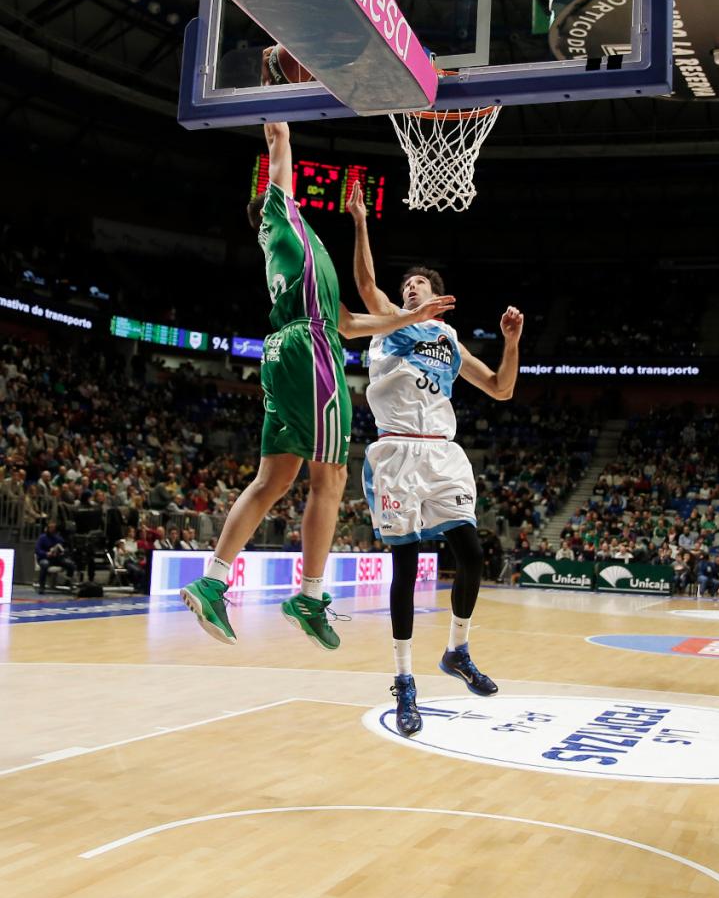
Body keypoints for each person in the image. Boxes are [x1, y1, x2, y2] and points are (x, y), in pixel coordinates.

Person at [179, 118, 455, 649]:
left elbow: (351, 324)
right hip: (311, 352)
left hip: (292, 347)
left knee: (273, 480)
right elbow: (278, 138)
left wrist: (411, 320)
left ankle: (213, 580)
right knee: (330, 477)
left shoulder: (298, 250)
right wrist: (277, 93)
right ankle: (308, 595)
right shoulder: (280, 218)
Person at [347, 179, 524, 736]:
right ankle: (404, 681)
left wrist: (512, 340)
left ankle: (457, 652)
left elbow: (499, 388)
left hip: (443, 455)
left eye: (420, 283)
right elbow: (367, 283)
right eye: (408, 286)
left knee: (471, 554)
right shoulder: (386, 324)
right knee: (406, 566)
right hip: (397, 452)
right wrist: (359, 222)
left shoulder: (448, 338)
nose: (411, 289)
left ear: (437, 294)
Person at [35, 520, 77, 594]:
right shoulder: (42, 538)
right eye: (50, 527)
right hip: (44, 558)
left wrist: (61, 552)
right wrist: (46, 553)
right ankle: (42, 586)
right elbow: (38, 550)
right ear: (47, 528)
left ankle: (68, 582)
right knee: (44, 564)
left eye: (53, 528)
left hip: (56, 558)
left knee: (70, 564)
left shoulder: (58, 538)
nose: (52, 529)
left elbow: (64, 548)